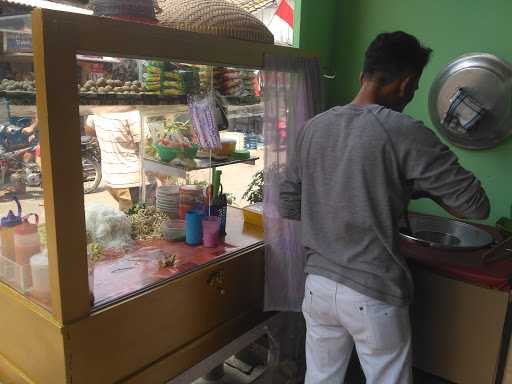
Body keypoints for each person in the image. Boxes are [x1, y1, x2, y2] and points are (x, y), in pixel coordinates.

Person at [279, 31, 490, 384]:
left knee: (320, 378)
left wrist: (343, 201)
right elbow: (475, 206)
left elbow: (289, 204)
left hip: (317, 284)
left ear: (364, 75)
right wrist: (415, 189)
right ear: (406, 83)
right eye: (416, 87)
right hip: (372, 291)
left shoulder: (312, 128)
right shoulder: (404, 131)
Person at [84, 109, 142, 211]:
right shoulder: (132, 112)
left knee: (127, 217)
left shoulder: (99, 107)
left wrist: (106, 135)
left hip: (111, 179)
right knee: (137, 221)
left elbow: (88, 129)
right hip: (131, 181)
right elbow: (145, 144)